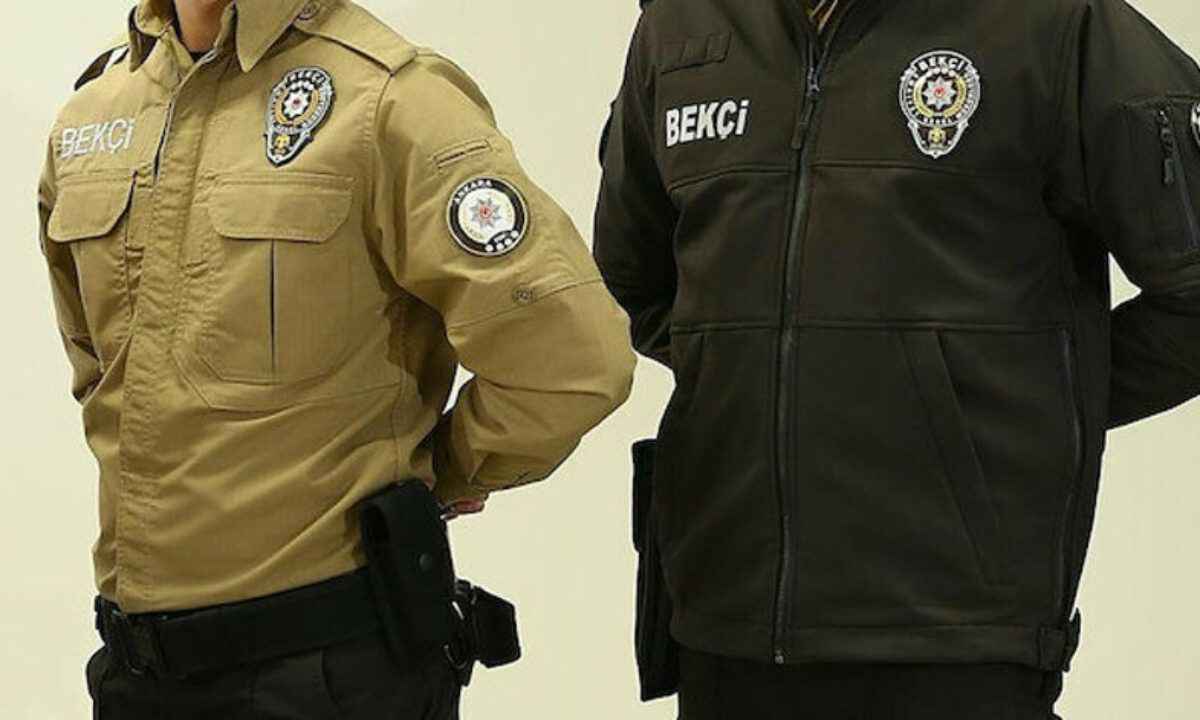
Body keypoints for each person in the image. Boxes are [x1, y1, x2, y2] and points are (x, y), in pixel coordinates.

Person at [595, 0, 1200, 717]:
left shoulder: (1059, 24)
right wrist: (770, 373)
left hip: (954, 626)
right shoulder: (680, 25)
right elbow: (633, 281)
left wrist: (1006, 409)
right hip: (724, 613)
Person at [37, 0, 635, 717]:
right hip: (135, 676)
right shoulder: (94, 114)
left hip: (328, 673)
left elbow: (572, 356)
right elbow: (101, 370)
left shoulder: (389, 98)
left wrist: (438, 470)